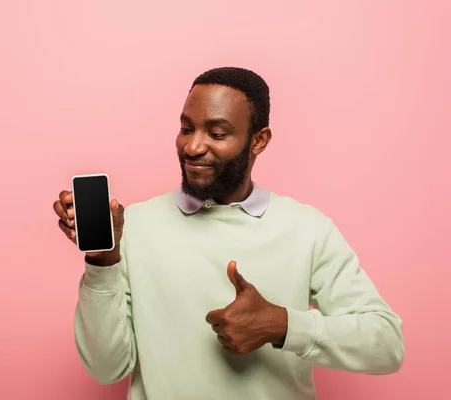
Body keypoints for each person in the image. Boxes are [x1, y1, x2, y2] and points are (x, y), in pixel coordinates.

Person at [53, 67, 404, 399]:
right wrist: (102, 261)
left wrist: (282, 325)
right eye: (186, 128)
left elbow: (387, 344)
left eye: (217, 133)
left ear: (258, 141)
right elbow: (106, 368)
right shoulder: (135, 227)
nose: (192, 147)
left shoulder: (307, 229)